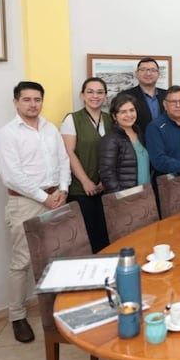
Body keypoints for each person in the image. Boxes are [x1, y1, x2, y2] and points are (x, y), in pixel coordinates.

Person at [0, 81, 70, 343]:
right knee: (22, 261)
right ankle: (17, 316)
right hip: (25, 202)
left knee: (55, 255)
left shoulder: (50, 129)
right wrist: (44, 198)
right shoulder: (6, 134)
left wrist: (63, 189)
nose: (33, 104)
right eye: (26, 99)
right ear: (16, 102)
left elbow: (63, 161)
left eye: (37, 99)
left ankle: (56, 310)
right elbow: (13, 176)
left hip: (56, 198)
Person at [60, 77, 112, 252]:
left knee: (106, 237)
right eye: (90, 92)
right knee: (86, 239)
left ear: (105, 95)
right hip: (81, 189)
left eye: (100, 92)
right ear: (82, 95)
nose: (95, 96)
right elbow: (69, 153)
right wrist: (85, 181)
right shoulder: (72, 119)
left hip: (105, 187)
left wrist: (105, 181)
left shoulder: (110, 119)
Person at [99, 93, 151, 194]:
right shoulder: (110, 139)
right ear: (114, 116)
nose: (129, 115)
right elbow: (107, 175)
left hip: (145, 194)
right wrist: (122, 196)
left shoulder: (139, 133)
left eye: (132, 110)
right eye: (123, 112)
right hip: (126, 199)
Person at [124, 57, 167, 133]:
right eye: (143, 70)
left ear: (158, 74)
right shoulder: (126, 96)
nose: (148, 73)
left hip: (166, 142)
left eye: (153, 70)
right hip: (138, 142)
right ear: (136, 73)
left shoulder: (167, 95)